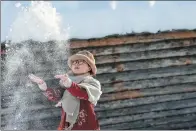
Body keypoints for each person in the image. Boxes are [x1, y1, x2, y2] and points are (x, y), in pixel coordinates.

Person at [28, 50, 102, 130]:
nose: (76, 64)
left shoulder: (92, 83)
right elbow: (57, 95)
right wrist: (43, 86)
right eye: (74, 62)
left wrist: (70, 84)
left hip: (86, 125)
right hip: (66, 124)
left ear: (89, 67)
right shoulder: (66, 82)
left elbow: (82, 93)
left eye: (81, 62)